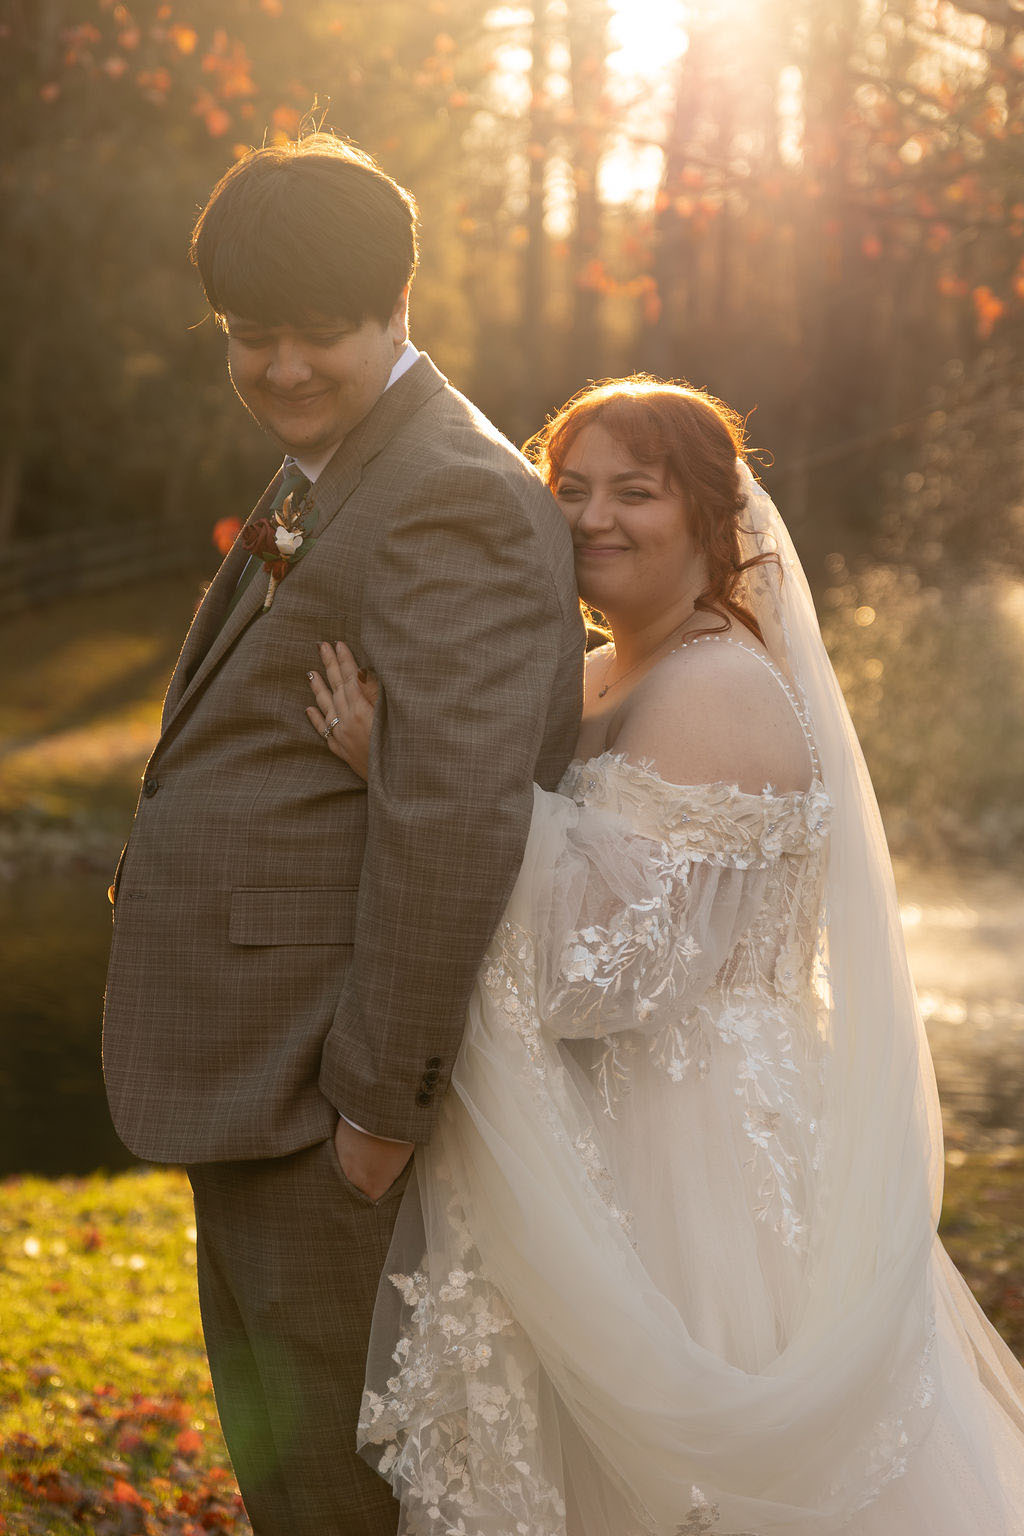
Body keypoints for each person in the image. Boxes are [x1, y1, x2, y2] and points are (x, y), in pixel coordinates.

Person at [309, 378, 1024, 1535]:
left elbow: (601, 968)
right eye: (570, 488)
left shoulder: (716, 684)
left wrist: (414, 773)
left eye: (632, 493)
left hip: (694, 1159)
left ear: (706, 517)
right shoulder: (597, 672)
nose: (592, 518)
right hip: (595, 1138)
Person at [101, 133, 584, 1536]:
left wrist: (376, 1112)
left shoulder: (451, 492)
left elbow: (455, 815)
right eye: (253, 337)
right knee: (288, 1483)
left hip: (330, 1100)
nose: (283, 368)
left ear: (400, 305)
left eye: (320, 334)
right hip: (256, 1073)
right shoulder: (335, 468)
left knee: (339, 1500)